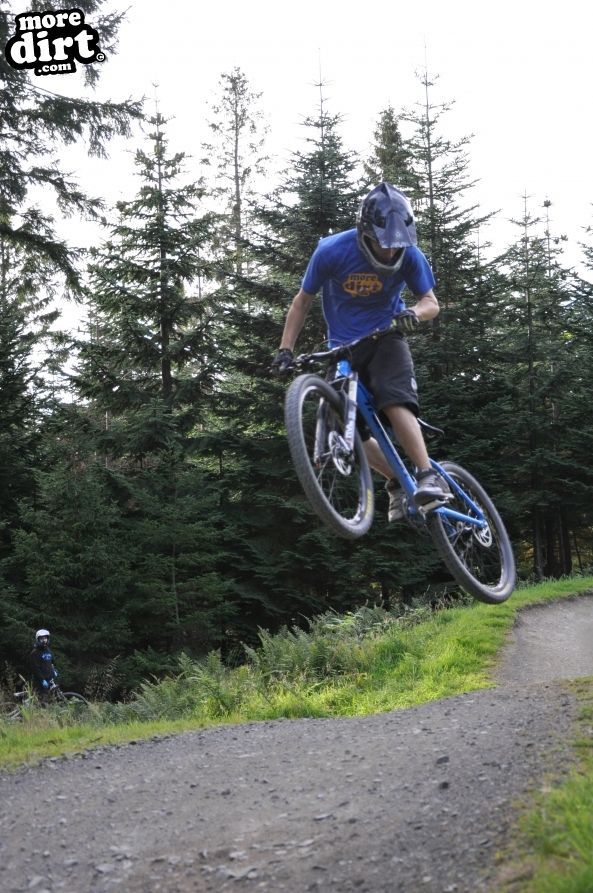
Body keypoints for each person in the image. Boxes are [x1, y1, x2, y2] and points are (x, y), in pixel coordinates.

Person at [272, 181, 450, 521]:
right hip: (342, 347)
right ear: (365, 231)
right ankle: (398, 481)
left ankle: (427, 474)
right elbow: (302, 301)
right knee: (343, 428)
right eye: (383, 244)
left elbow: (431, 304)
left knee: (393, 398)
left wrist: (413, 314)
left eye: (396, 245)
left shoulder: (410, 255)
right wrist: (285, 349)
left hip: (387, 337)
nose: (389, 252)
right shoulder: (331, 250)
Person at [30, 628, 58, 701]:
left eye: (45, 638)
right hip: (39, 682)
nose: (44, 640)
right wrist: (42, 680)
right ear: (38, 639)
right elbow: (35, 668)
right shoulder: (35, 653)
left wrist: (54, 671)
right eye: (42, 638)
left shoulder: (49, 651)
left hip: (49, 680)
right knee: (41, 701)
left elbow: (52, 663)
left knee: (50, 699)